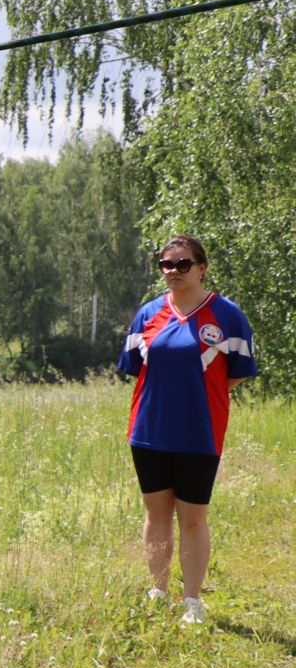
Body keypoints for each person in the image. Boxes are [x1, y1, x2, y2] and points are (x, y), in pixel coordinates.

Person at [116, 235, 257, 625]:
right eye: (165, 264)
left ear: (201, 267)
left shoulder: (227, 316)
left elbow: (236, 376)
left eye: (182, 264)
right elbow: (135, 369)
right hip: (148, 432)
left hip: (200, 431)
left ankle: (192, 602)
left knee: (193, 517)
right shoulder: (147, 314)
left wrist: (200, 395)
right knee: (156, 514)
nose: (172, 271)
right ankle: (158, 592)